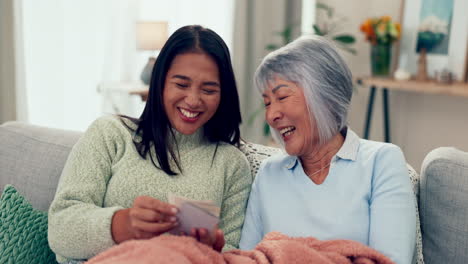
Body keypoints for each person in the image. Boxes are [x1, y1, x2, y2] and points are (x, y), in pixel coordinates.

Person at [48, 25, 252, 263]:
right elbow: (60, 229)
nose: (194, 100)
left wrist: (210, 248)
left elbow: (230, 253)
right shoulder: (110, 134)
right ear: (160, 82)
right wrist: (121, 225)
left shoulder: (232, 165)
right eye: (181, 85)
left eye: (208, 90)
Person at [239, 35, 416, 264]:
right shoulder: (268, 173)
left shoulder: (381, 162)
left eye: (282, 96)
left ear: (326, 98)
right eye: (267, 103)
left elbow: (391, 261)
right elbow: (246, 259)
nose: (271, 116)